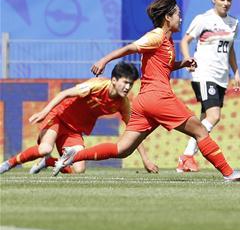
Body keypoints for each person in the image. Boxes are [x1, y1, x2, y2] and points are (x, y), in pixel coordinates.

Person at [52, 0, 240, 182]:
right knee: (200, 131)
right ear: (167, 17)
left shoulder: (166, 41)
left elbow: (163, 66)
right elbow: (130, 48)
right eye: (178, 14)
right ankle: (229, 174)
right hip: (158, 98)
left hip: (144, 102)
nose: (181, 19)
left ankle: (74, 155)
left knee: (123, 149)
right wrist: (104, 60)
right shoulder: (156, 35)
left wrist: (181, 64)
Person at [0, 62, 158, 176]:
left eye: (131, 84)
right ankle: (8, 164)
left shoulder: (123, 104)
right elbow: (64, 94)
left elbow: (133, 132)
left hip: (74, 131)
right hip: (58, 117)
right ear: (114, 80)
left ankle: (49, 162)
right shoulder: (96, 85)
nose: (128, 87)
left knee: (79, 170)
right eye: (125, 82)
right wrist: (44, 112)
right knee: (45, 149)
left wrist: (145, 160)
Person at [176, 0, 240, 173]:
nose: (226, 3)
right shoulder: (203, 20)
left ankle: (186, 160)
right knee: (214, 116)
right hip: (204, 74)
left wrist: (236, 72)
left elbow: (230, 49)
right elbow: (185, 40)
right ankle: (187, 156)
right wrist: (187, 59)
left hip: (221, 77)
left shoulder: (233, 23)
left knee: (204, 119)